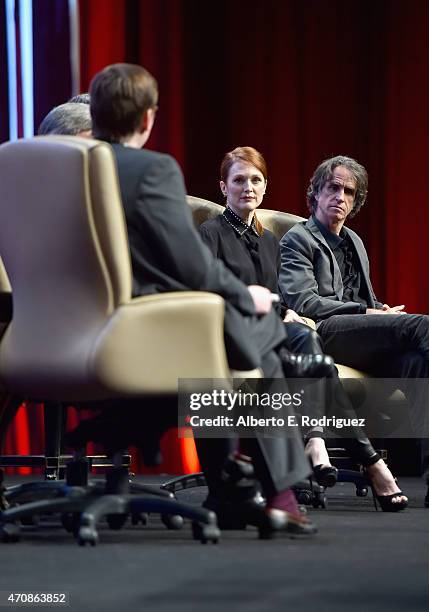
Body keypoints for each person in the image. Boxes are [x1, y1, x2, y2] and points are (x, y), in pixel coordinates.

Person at [88, 63, 316, 535]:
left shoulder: (46, 168)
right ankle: (280, 493)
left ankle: (232, 487)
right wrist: (246, 295)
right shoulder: (149, 169)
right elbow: (191, 264)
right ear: (148, 118)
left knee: (240, 346)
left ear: (95, 113)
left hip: (56, 330)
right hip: (142, 328)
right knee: (263, 330)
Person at [199, 147, 407, 512]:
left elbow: (286, 296)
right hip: (231, 332)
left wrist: (287, 311)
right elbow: (209, 290)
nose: (248, 188)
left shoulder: (269, 241)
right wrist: (282, 310)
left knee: (314, 352)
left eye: (256, 180)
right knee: (314, 355)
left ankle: (318, 446)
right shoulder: (210, 234)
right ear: (223, 187)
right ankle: (362, 458)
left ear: (265, 187)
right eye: (239, 180)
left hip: (274, 330)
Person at [279, 154, 429, 505]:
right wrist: (368, 311)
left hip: (359, 337)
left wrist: (380, 311)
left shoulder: (355, 242)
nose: (340, 197)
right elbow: (304, 303)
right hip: (323, 331)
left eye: (349, 192)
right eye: (333, 188)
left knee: (417, 364)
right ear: (315, 193)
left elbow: (368, 299)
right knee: (423, 327)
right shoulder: (297, 239)